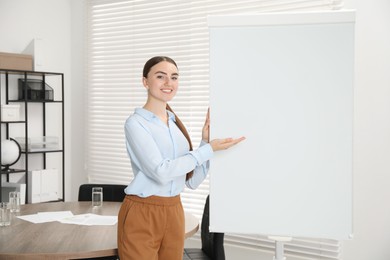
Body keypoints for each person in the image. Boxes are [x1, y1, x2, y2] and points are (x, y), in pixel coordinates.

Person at [117, 56, 245, 260]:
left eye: (174, 77)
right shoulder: (135, 124)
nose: (169, 83)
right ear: (145, 81)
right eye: (161, 76)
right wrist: (207, 150)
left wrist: (205, 143)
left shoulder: (176, 125)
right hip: (142, 212)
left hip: (175, 210)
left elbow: (192, 181)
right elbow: (161, 172)